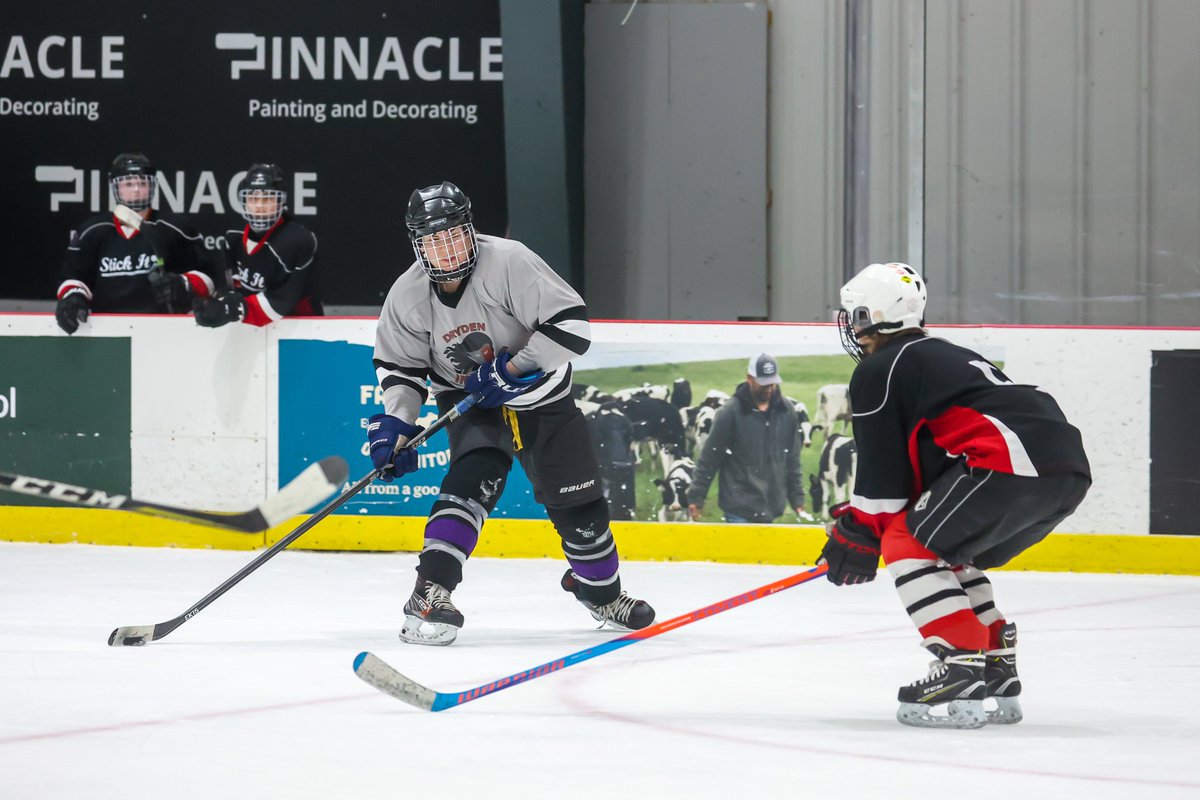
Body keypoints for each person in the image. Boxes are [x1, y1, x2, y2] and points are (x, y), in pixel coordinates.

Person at [366, 181, 655, 646]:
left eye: (454, 234)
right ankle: (430, 591)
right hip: (473, 405)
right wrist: (396, 429)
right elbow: (402, 369)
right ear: (418, 244)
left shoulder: (509, 261)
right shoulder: (407, 295)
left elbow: (573, 327)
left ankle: (600, 594)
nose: (446, 248)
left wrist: (514, 368)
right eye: (433, 240)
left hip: (543, 398)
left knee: (580, 506)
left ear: (469, 229)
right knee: (472, 480)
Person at [819, 261, 1091, 729]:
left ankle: (962, 661)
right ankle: (994, 658)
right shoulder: (939, 355)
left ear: (872, 315)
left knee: (906, 543)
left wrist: (862, 530)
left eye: (856, 316)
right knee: (941, 547)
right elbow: (923, 475)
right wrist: (860, 522)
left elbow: (883, 474)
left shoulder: (882, 368)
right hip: (1063, 468)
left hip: (1008, 462)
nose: (853, 327)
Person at [55, 152, 213, 334]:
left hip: (165, 330)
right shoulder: (92, 231)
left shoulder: (175, 228)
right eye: (128, 184)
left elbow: (209, 278)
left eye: (143, 183)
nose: (136, 189)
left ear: (152, 185)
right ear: (116, 187)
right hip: (106, 331)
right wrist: (73, 296)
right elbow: (72, 277)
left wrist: (183, 284)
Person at [192, 163, 322, 328]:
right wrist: (216, 304)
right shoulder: (233, 236)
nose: (259, 206)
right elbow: (232, 286)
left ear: (281, 201)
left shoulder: (298, 240)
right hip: (251, 326)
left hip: (301, 328)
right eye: (253, 198)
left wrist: (231, 309)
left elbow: (281, 301)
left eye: (267, 198)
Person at [686, 354, 808, 524]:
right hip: (739, 507)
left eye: (772, 383)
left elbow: (792, 459)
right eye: (763, 383)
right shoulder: (730, 412)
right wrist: (696, 497)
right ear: (750, 379)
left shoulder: (786, 412)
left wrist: (797, 498)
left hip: (771, 506)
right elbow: (709, 458)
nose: (768, 388)